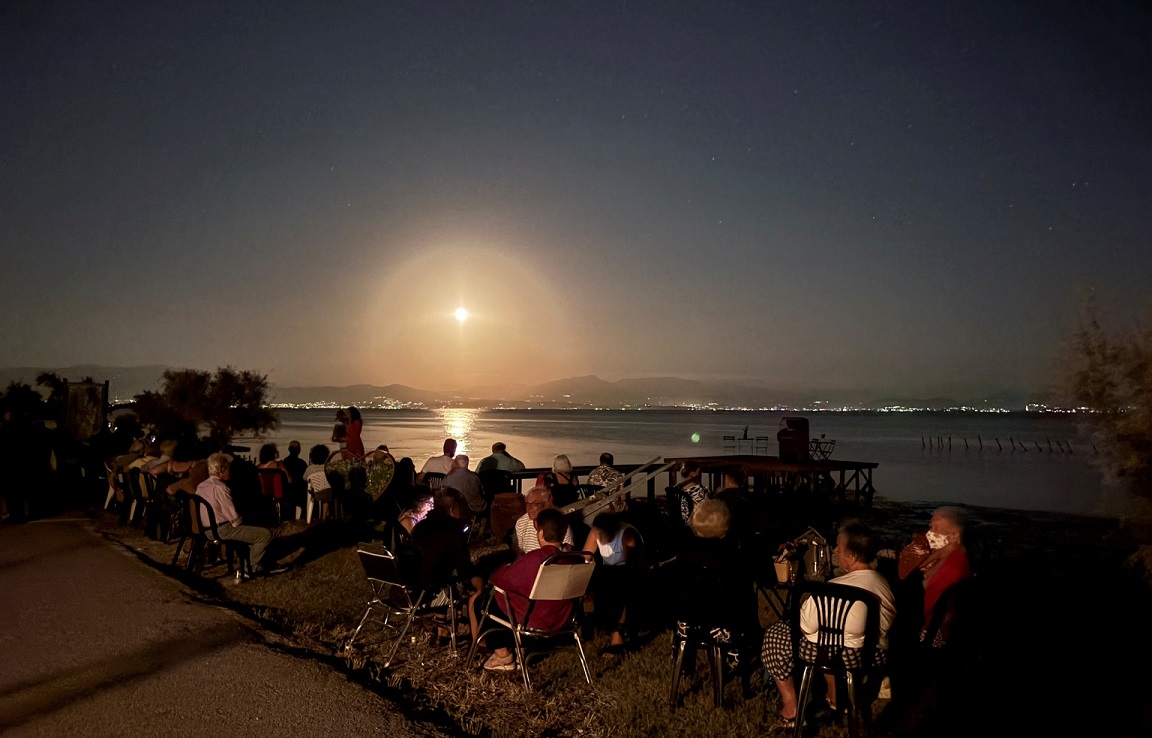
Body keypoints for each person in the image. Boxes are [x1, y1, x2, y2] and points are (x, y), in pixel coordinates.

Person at [761, 520, 896, 728]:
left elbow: (804, 627)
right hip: (872, 655)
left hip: (836, 654)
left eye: (839, 547)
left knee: (776, 635)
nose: (835, 551)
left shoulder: (832, 589)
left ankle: (792, 707)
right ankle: (838, 695)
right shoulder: (882, 584)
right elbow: (885, 625)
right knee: (826, 637)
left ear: (852, 556)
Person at [479, 508, 576, 671]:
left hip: (533, 623)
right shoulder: (571, 561)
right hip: (562, 621)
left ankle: (502, 655)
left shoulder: (535, 559)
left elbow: (503, 579)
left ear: (541, 533)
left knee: (491, 599)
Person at [672, 499, 759, 678]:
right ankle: (736, 659)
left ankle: (684, 664)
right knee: (748, 605)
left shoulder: (684, 556)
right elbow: (742, 597)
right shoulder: (734, 557)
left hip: (687, 626)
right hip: (725, 627)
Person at [411, 488, 485, 640]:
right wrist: (478, 579)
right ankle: (478, 640)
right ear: (453, 509)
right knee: (476, 587)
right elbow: (464, 569)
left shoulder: (419, 526)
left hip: (409, 589)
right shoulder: (454, 529)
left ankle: (442, 630)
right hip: (428, 594)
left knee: (443, 577)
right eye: (461, 507)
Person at [195, 452, 283, 577]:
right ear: (222, 470)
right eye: (229, 469)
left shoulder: (201, 486)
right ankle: (249, 569)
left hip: (206, 529)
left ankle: (257, 562)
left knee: (252, 530)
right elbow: (234, 518)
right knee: (265, 535)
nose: (230, 472)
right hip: (222, 529)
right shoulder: (220, 487)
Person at [897, 506, 973, 643]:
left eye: (937, 528)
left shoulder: (952, 567)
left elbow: (922, 606)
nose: (930, 533)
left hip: (931, 632)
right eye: (930, 526)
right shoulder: (951, 556)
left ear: (955, 536)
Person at [581, 511, 641, 655]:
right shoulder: (596, 533)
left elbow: (632, 567)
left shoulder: (626, 535)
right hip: (609, 571)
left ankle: (618, 632)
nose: (597, 536)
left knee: (619, 587)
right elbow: (586, 556)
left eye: (600, 534)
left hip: (628, 572)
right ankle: (589, 623)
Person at [512, 485, 574, 558]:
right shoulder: (522, 522)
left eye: (535, 504)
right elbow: (520, 552)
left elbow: (567, 551)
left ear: (546, 504)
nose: (529, 508)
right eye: (527, 503)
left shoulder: (558, 521)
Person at [675, 460, 709, 525]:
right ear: (695, 472)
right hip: (697, 524)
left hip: (680, 525)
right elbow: (707, 509)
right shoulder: (701, 491)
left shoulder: (675, 490)